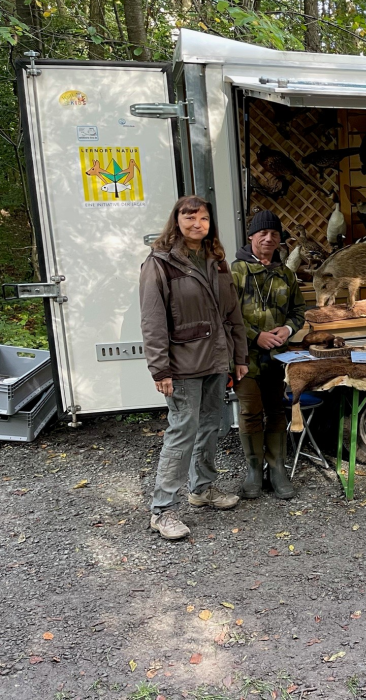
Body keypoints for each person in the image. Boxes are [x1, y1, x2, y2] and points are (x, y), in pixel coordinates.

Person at [140, 196, 249, 540]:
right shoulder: (160, 263)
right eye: (189, 218)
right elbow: (153, 321)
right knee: (181, 434)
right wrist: (160, 369)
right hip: (182, 365)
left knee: (211, 428)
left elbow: (232, 314)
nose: (196, 224)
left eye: (202, 218)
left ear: (209, 224)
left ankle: (202, 489)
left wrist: (240, 357)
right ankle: (162, 510)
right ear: (176, 221)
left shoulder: (216, 261)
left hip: (216, 361)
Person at [231, 210, 307, 500]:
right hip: (243, 358)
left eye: (274, 234)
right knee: (250, 411)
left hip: (278, 357)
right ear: (251, 236)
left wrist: (287, 329)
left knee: (277, 411)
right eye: (262, 233)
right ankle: (253, 469)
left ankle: (276, 469)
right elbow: (228, 315)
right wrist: (256, 335)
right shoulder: (235, 271)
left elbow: (298, 312)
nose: (268, 238)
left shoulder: (286, 274)